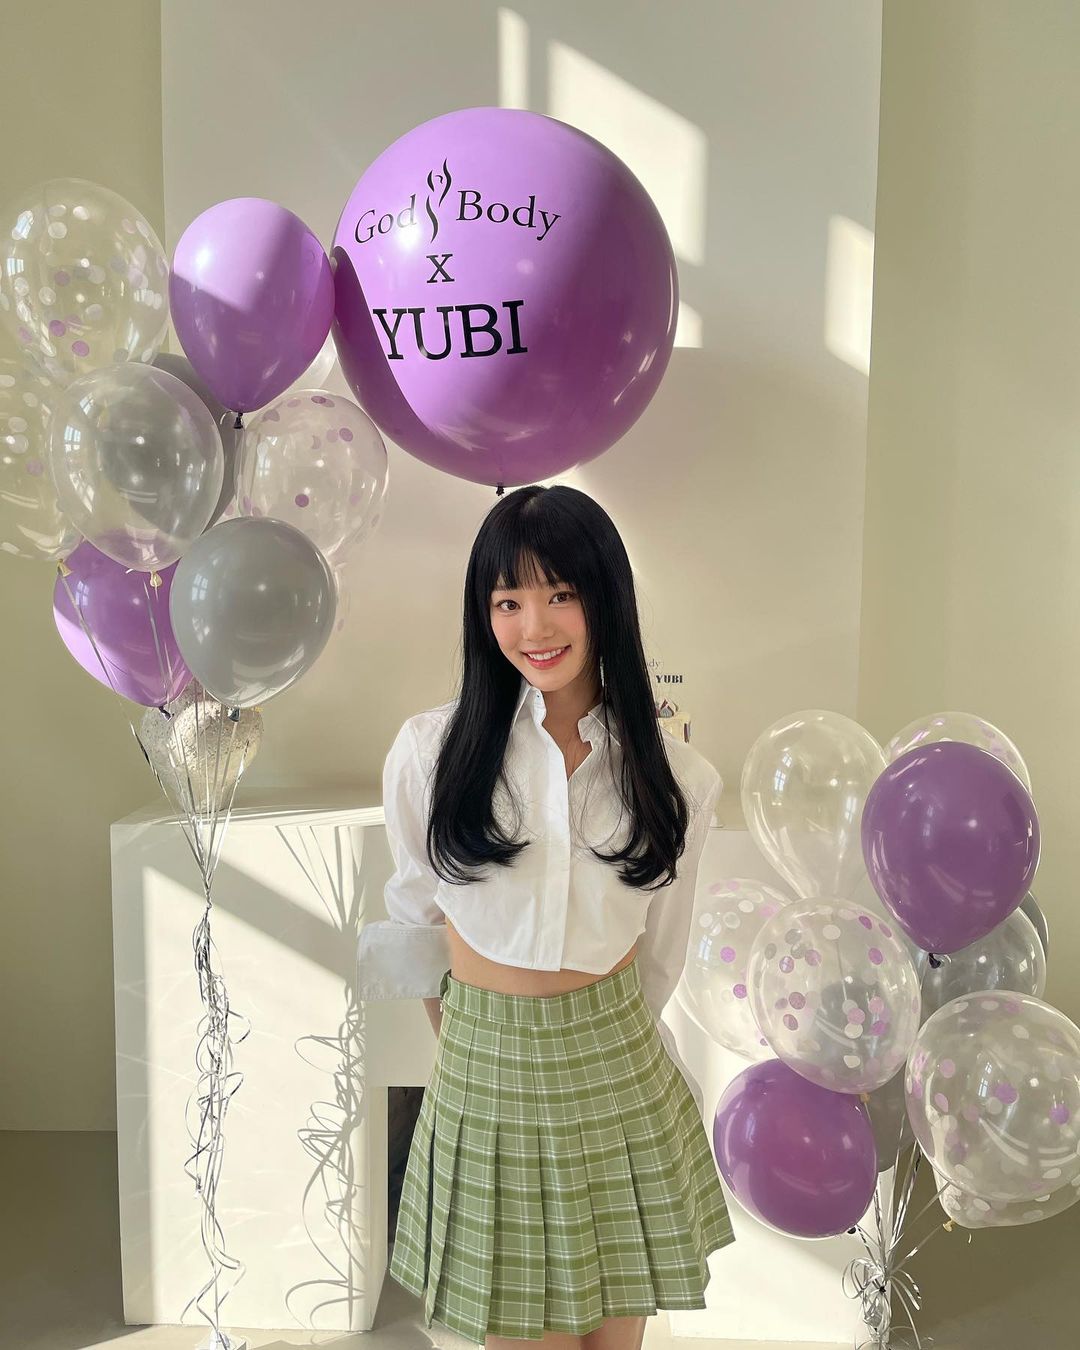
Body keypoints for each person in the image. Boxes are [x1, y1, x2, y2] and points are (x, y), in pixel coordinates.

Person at [358, 484, 734, 1349]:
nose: (536, 626)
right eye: (508, 601)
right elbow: (416, 917)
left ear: (606, 600)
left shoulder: (678, 778)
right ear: (483, 613)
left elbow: (661, 954)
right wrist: (469, 1045)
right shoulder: (430, 753)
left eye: (561, 594)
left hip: (619, 1074)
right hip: (485, 1075)